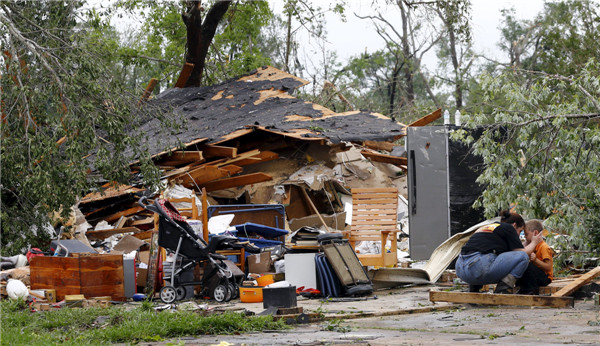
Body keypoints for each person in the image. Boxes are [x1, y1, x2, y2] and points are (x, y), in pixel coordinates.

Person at [456, 210, 543, 294]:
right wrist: (534, 242)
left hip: (461, 269)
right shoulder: (509, 228)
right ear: (514, 225)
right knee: (523, 257)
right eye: (520, 231)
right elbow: (523, 253)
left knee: (490, 255)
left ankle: (474, 289)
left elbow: (512, 253)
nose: (518, 235)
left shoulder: (488, 227)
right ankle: (503, 289)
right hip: (478, 267)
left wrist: (526, 243)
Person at [516, 220, 553, 294]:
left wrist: (536, 260)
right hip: (534, 276)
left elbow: (549, 267)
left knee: (527, 265)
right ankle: (522, 287)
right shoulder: (531, 245)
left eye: (526, 234)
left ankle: (531, 290)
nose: (525, 237)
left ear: (535, 233)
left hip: (544, 278)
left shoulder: (543, 247)